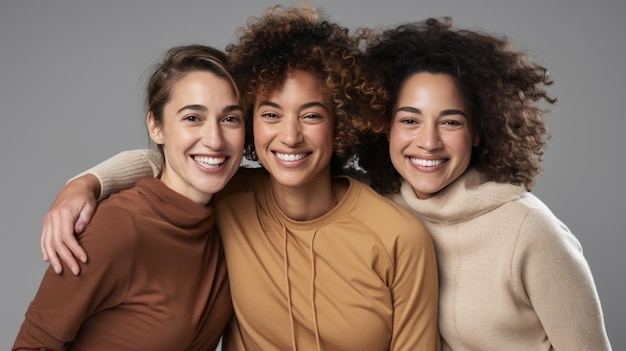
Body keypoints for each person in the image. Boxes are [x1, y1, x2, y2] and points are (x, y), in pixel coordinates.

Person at [37, 4, 441, 351]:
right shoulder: (229, 196)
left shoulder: (398, 237)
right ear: (248, 124)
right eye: (270, 114)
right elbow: (176, 160)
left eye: (312, 115)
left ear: (341, 124)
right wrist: (86, 183)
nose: (290, 135)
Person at [358, 17, 612, 350]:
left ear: (478, 131)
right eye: (410, 120)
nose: (428, 141)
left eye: (450, 121)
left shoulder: (531, 232)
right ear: (384, 127)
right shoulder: (375, 207)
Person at [13, 45, 244, 350]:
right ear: (156, 126)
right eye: (192, 118)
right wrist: (83, 185)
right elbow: (32, 345)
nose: (214, 140)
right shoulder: (116, 229)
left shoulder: (236, 208)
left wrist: (88, 181)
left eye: (230, 119)